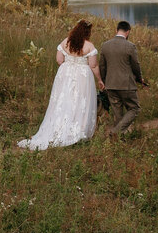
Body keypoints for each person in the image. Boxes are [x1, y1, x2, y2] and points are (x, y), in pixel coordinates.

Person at [18, 20, 106, 150]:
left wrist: (69, 67)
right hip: (82, 76)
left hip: (65, 75)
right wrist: (99, 79)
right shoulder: (89, 46)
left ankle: (58, 127)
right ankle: (78, 129)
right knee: (80, 101)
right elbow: (93, 65)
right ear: (88, 32)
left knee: (63, 100)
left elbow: (59, 60)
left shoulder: (66, 42)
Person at [99, 20, 148, 137]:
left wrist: (104, 81)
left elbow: (102, 66)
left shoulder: (105, 45)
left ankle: (119, 140)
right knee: (134, 108)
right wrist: (140, 79)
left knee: (118, 113)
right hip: (126, 85)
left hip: (111, 85)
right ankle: (116, 133)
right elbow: (136, 65)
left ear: (116, 30)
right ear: (128, 32)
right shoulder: (130, 46)